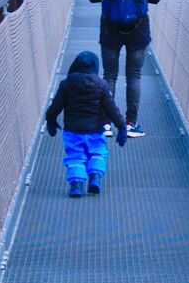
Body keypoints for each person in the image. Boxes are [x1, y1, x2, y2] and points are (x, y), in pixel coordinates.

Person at [87, 0, 161, 136]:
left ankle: (106, 123)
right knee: (134, 75)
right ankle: (130, 124)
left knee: (109, 74)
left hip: (110, 26)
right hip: (138, 27)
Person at [45, 49, 127, 196]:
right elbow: (111, 108)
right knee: (97, 153)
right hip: (95, 130)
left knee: (75, 156)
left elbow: (56, 106)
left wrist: (50, 120)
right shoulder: (101, 85)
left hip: (73, 131)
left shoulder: (66, 84)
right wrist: (121, 126)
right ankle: (95, 178)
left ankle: (76, 186)